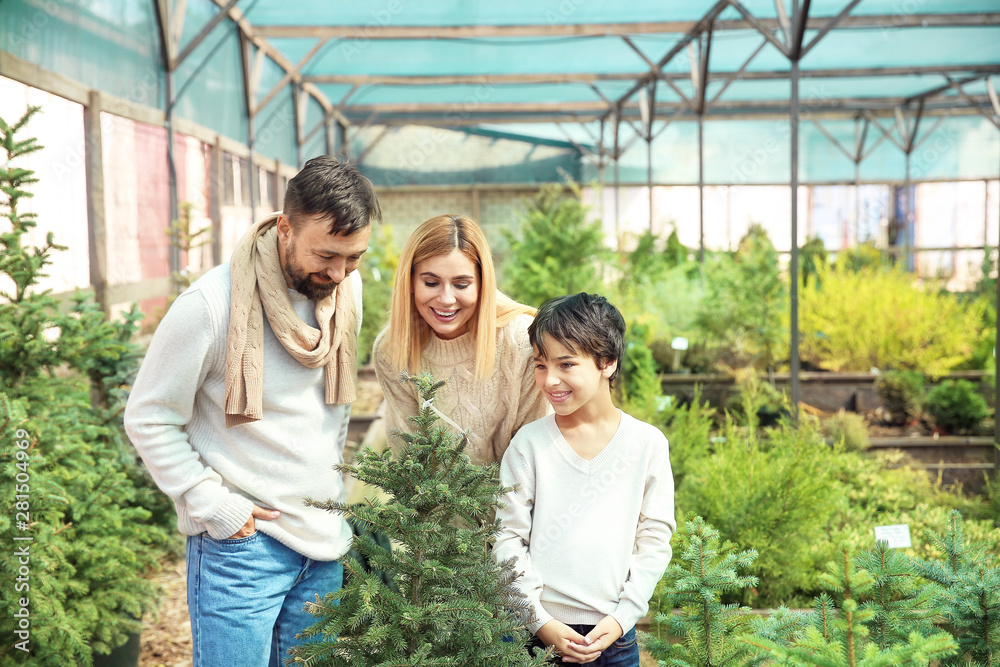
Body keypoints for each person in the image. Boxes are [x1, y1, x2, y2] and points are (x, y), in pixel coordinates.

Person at [123, 156, 382, 667]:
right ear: (285, 228)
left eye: (353, 258)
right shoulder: (211, 305)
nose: (339, 272)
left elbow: (328, 415)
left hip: (324, 542)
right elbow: (148, 416)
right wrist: (214, 505)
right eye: (327, 255)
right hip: (244, 547)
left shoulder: (344, 291)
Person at [493, 293, 676, 666]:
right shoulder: (529, 445)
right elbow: (507, 539)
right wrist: (539, 621)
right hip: (536, 638)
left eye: (566, 364)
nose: (550, 380)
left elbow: (655, 539)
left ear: (607, 362)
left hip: (615, 639)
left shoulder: (646, 444)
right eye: (541, 365)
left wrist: (622, 616)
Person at [372, 214, 549, 466]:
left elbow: (535, 450)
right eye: (431, 283)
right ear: (410, 282)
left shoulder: (523, 340)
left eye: (461, 284)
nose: (446, 299)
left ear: (481, 284)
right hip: (438, 504)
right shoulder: (392, 349)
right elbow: (410, 459)